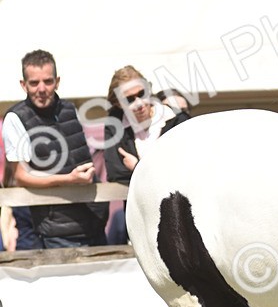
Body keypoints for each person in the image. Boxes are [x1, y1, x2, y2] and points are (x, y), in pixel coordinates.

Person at [2, 50, 108, 248]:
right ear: (23, 85)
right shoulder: (15, 118)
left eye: (48, 81)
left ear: (57, 81)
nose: (41, 89)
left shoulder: (69, 109)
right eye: (34, 83)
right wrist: (69, 180)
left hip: (95, 220)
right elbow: (21, 177)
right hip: (59, 232)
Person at [103, 66, 190, 242]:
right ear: (119, 104)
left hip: (180, 218)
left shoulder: (178, 120)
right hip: (140, 221)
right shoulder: (115, 126)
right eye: (129, 99)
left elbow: (185, 169)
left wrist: (137, 166)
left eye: (142, 93)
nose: (140, 103)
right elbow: (115, 172)